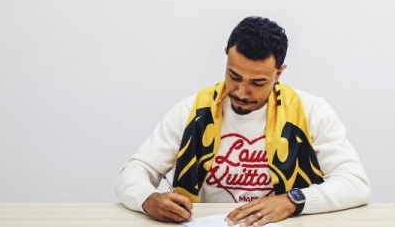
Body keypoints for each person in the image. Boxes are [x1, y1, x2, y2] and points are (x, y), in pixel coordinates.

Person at [116, 16, 370, 225]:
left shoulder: (310, 111)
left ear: (279, 73)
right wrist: (148, 199)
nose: (241, 92)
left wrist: (291, 201)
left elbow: (355, 183)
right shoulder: (193, 110)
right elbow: (136, 170)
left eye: (257, 82)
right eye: (234, 76)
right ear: (226, 56)